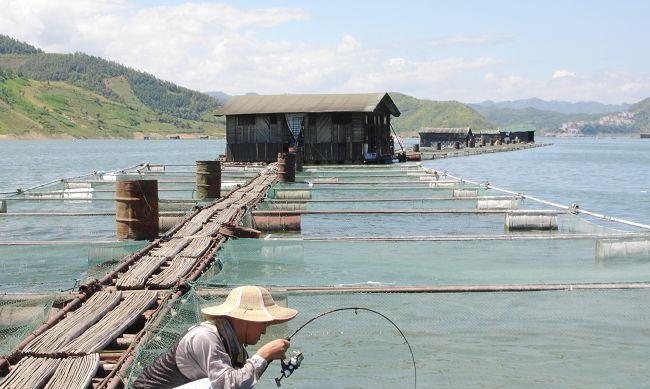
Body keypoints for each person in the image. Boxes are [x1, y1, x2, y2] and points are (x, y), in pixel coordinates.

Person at [134, 285, 298, 389]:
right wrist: (264, 355)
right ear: (245, 319)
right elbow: (227, 385)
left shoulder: (233, 345)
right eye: (264, 324)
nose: (264, 331)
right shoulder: (205, 336)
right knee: (213, 385)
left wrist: (264, 359)